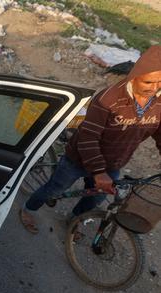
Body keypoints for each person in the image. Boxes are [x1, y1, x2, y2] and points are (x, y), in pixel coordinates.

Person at [20, 45, 161, 234]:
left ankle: (75, 219)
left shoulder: (158, 102)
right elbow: (88, 137)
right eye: (148, 82)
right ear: (134, 76)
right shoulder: (108, 100)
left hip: (113, 162)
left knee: (96, 198)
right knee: (55, 188)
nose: (154, 88)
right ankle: (28, 209)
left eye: (160, 83)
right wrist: (98, 172)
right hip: (78, 159)